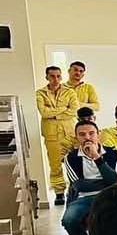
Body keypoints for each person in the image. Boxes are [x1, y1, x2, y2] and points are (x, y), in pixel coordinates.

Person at [62, 120, 117, 235]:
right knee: (69, 220)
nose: (87, 137)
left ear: (98, 135)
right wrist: (107, 182)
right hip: (84, 198)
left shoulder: (112, 152)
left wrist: (96, 157)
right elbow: (78, 186)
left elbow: (114, 181)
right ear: (76, 137)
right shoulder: (71, 157)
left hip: (109, 195)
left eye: (91, 133)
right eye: (82, 134)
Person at [35, 65, 80, 204]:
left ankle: (76, 188)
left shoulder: (69, 92)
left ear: (61, 76)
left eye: (58, 76)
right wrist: (62, 110)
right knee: (55, 164)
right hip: (51, 135)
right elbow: (44, 113)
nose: (55, 79)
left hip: (70, 133)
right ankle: (59, 192)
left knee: (75, 161)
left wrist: (54, 114)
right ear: (46, 77)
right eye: (52, 76)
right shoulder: (40, 93)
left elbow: (74, 110)